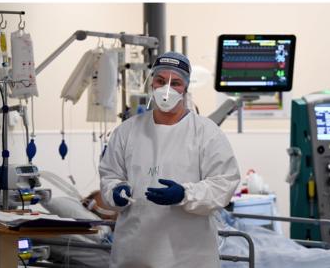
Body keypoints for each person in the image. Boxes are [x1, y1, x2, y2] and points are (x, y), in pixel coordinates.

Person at [99, 51, 240, 268]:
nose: (167, 89)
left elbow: (224, 183)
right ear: (151, 83)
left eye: (176, 83)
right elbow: (110, 175)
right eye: (161, 81)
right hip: (134, 253)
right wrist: (115, 191)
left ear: (185, 88)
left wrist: (185, 194)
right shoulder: (126, 132)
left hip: (188, 256)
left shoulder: (206, 133)